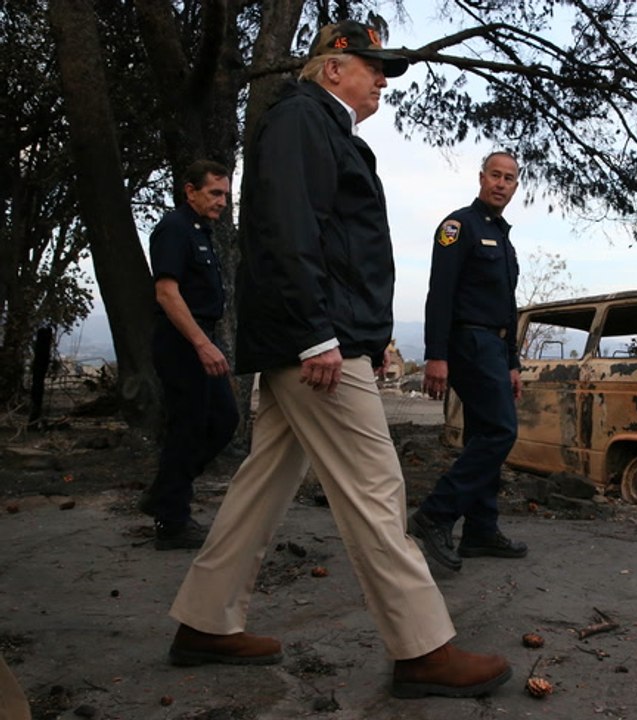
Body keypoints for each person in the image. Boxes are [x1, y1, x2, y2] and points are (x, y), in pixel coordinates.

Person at [164, 21, 511, 699]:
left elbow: (333, 243)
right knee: (377, 487)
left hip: (319, 335)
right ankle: (422, 648)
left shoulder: (323, 128)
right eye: (373, 67)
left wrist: (362, 333)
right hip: (315, 345)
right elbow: (287, 229)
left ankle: (205, 621)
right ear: (333, 69)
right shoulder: (300, 120)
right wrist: (318, 334)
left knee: (262, 484)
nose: (382, 80)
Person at [411, 151, 527, 572]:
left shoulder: (503, 236)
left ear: (516, 186)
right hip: (468, 341)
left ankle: (480, 530)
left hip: (496, 347)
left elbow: (508, 306)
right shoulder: (458, 226)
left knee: (484, 431)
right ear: (481, 178)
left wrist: (513, 361)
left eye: (509, 178)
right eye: (495, 175)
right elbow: (439, 293)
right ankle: (435, 514)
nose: (501, 183)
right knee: (500, 431)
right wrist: (435, 355)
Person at [144, 160, 239, 551]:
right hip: (183, 341)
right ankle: (172, 522)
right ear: (190, 191)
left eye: (226, 195)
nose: (221, 202)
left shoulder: (202, 231)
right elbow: (167, 292)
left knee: (224, 421)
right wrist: (201, 344)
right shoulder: (174, 229)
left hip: (202, 339)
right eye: (214, 193)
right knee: (188, 427)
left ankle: (165, 493)